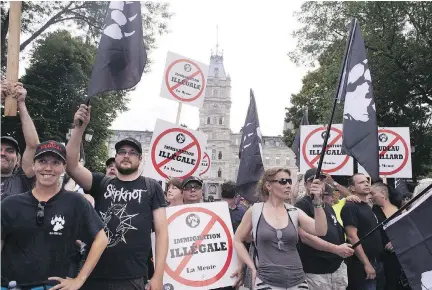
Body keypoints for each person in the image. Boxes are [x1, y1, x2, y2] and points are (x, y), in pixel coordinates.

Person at [65, 104, 168, 290]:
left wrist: (158, 276)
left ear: (140, 158)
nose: (126, 156)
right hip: (93, 273)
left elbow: (162, 234)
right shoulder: (101, 183)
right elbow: (71, 165)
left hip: (132, 277)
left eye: (132, 153)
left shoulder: (152, 187)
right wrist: (79, 128)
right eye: (122, 152)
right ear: (116, 156)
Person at [1, 140, 108, 289]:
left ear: (64, 167)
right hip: (10, 286)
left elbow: (101, 239)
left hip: (52, 287)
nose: (48, 168)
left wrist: (79, 280)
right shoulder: (10, 204)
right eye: (42, 161)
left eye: (56, 162)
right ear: (34, 165)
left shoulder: (75, 202)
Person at [233, 167, 328, 290]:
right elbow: (237, 240)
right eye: (283, 181)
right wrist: (251, 266)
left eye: (290, 181)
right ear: (268, 185)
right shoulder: (255, 211)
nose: (288, 185)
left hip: (297, 281)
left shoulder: (294, 212)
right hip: (266, 282)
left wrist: (318, 202)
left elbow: (321, 230)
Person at [295, 168, 354, 290]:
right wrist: (336, 249)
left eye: (321, 181)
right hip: (317, 272)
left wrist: (343, 247)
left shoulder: (327, 206)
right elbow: (306, 237)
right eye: (313, 181)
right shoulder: (302, 205)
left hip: (336, 269)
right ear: (306, 184)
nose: (317, 184)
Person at [341, 173, 385, 290]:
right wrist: (366, 264)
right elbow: (352, 237)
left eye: (367, 181)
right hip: (361, 265)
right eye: (361, 182)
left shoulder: (366, 206)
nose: (366, 184)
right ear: (352, 188)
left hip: (377, 262)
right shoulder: (350, 207)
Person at [1, 81, 39, 199]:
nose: (2, 153)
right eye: (0, 149)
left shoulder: (22, 180)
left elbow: (33, 146)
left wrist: (21, 104)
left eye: (10, 150)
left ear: (18, 160)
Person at [370, 182, 411, 290]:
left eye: (372, 193)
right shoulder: (373, 210)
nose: (370, 196)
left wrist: (397, 241)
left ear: (383, 193)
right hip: (384, 258)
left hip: (403, 255)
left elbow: (409, 230)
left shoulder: (401, 209)